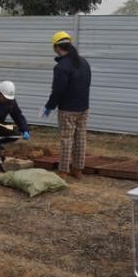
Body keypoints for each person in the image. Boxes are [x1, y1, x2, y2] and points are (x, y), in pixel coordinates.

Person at [42, 31, 91, 179]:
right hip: (83, 108)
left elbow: (58, 91)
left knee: (66, 139)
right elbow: (86, 85)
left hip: (67, 110)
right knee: (80, 139)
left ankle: (63, 171)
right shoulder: (84, 63)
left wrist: (49, 106)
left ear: (57, 47)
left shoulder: (61, 67)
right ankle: (78, 170)